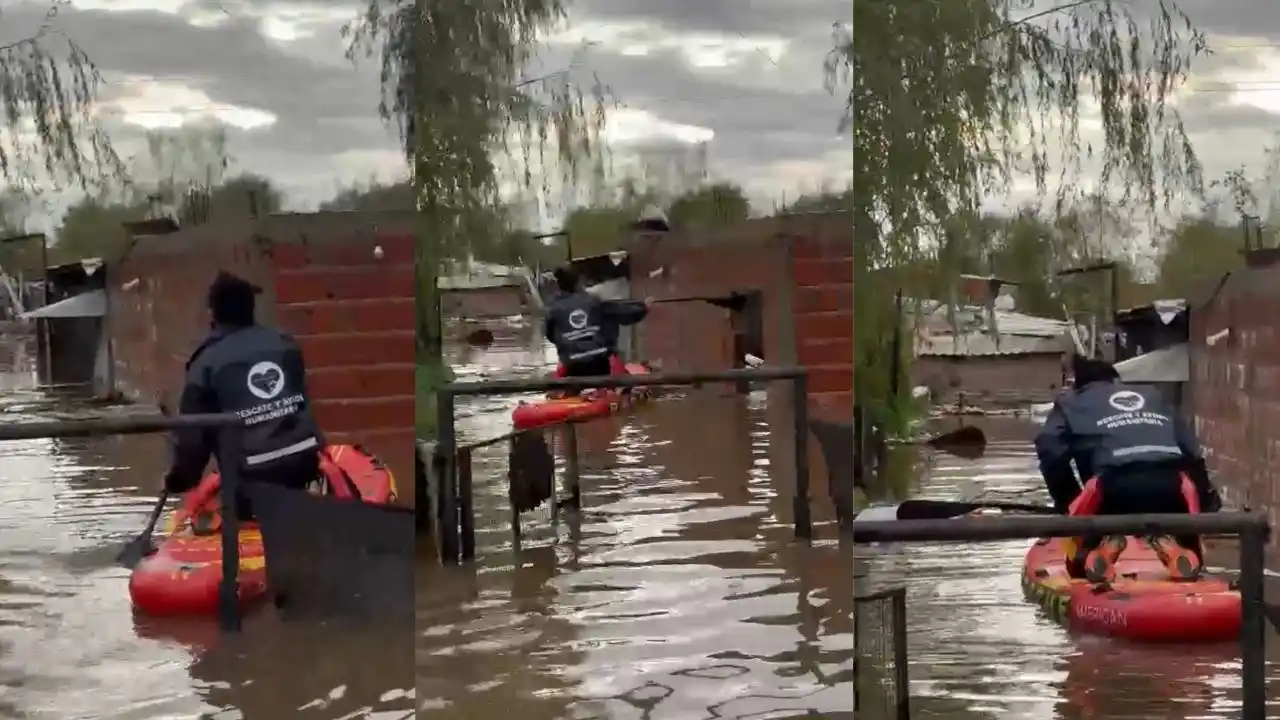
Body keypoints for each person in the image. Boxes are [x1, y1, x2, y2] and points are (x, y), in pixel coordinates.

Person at [1034, 354, 1222, 584]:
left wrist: (1068, 500)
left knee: (1079, 565)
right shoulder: (1154, 395)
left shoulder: (1070, 402)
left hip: (1112, 489)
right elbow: (1192, 453)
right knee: (1190, 555)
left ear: (1077, 384)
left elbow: (1050, 450)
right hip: (1172, 487)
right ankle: (1173, 543)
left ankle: (1102, 547)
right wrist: (1205, 501)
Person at [163, 271, 324, 519]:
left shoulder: (205, 362)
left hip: (250, 481)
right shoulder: (285, 344)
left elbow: (193, 439)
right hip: (304, 466)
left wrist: (179, 480)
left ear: (213, 314)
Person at [543, 265, 651, 380]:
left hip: (572, 365)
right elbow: (621, 311)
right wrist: (644, 308)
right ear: (578, 283)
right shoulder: (593, 301)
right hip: (599, 364)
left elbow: (550, 335)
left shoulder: (552, 307)